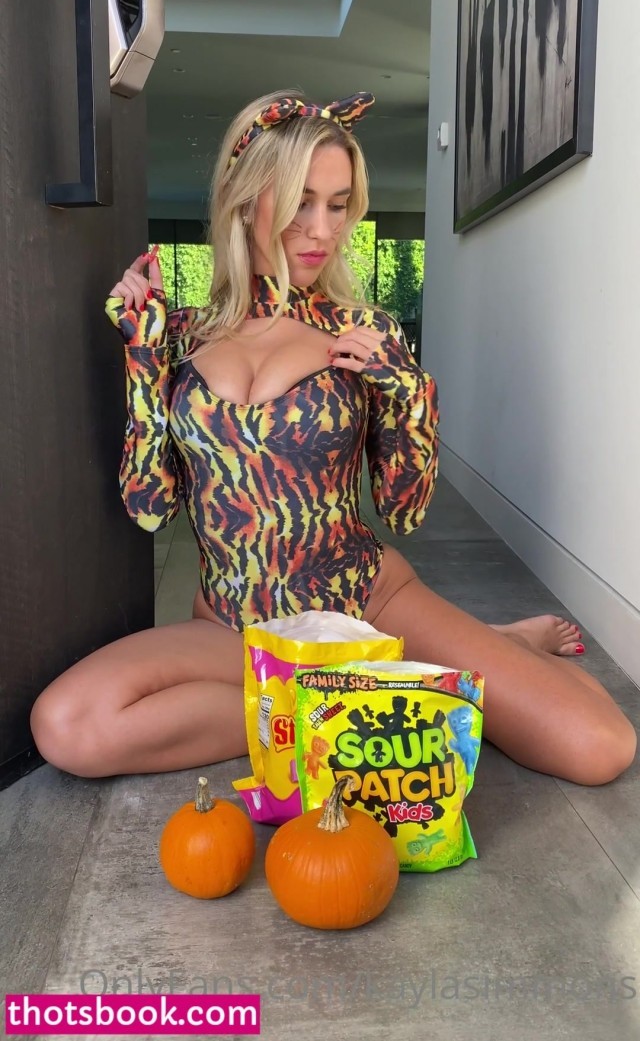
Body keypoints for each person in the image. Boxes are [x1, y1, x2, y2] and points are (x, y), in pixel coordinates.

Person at [30, 90, 636, 787]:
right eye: (301, 203)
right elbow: (148, 509)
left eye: (339, 204)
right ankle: (378, 692)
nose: (322, 230)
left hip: (366, 604)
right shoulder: (181, 336)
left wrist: (407, 393)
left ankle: (405, 671)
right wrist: (142, 356)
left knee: (599, 745)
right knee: (68, 725)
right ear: (245, 200)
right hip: (235, 628)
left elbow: (404, 512)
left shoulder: (362, 331)